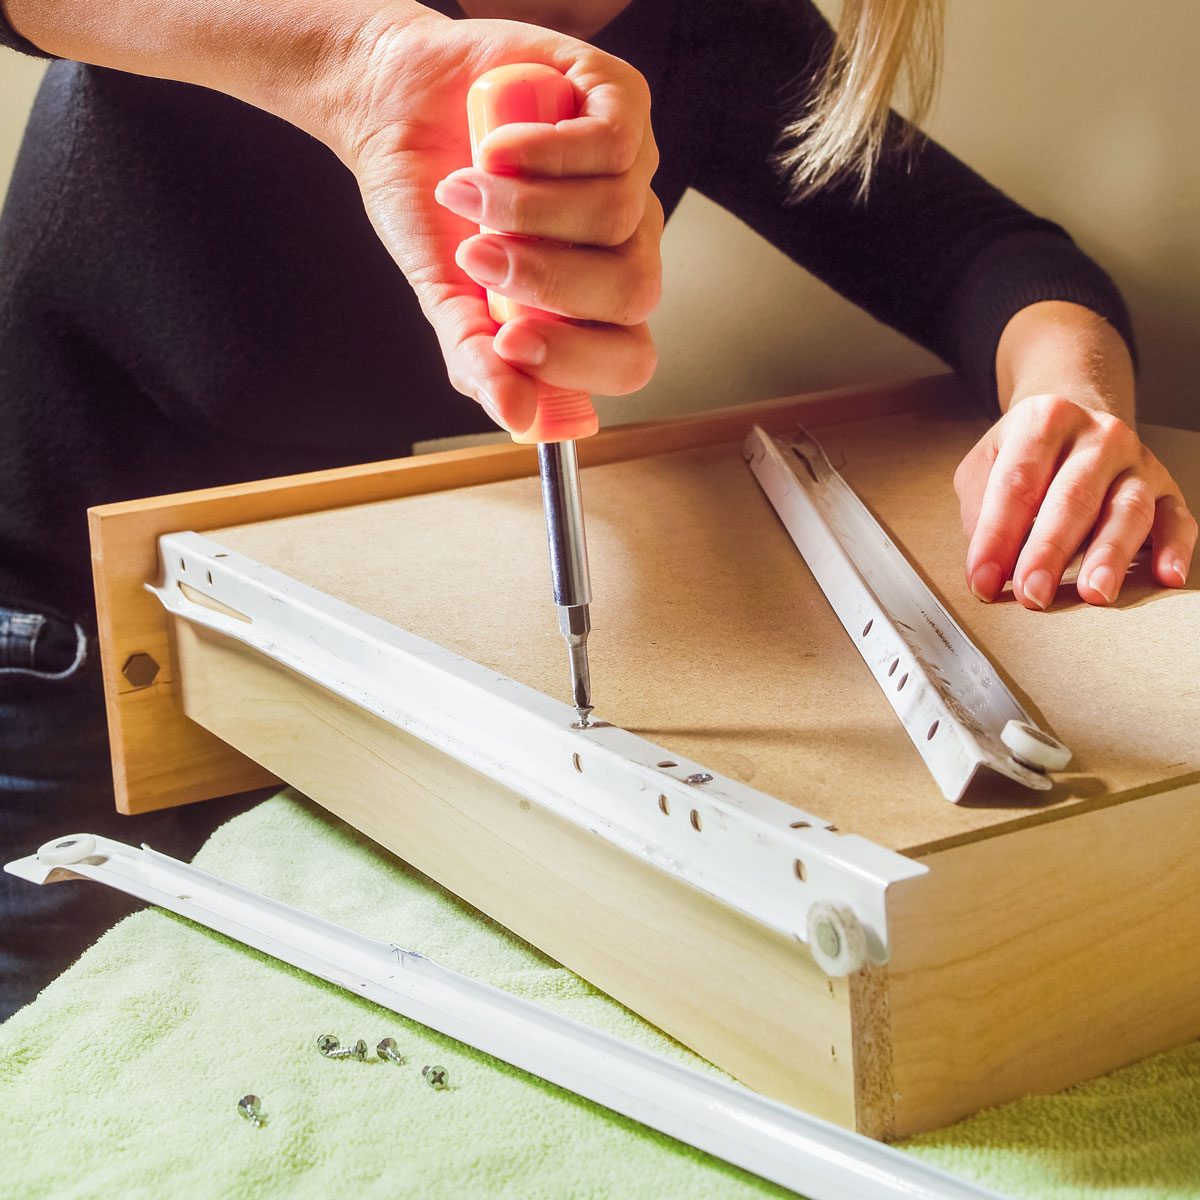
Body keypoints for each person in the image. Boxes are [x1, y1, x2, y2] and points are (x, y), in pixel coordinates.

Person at [0, 0, 1193, 1020]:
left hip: (338, 652)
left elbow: (983, 254)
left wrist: (1069, 398)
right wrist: (354, 57)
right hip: (55, 660)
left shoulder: (720, 28)